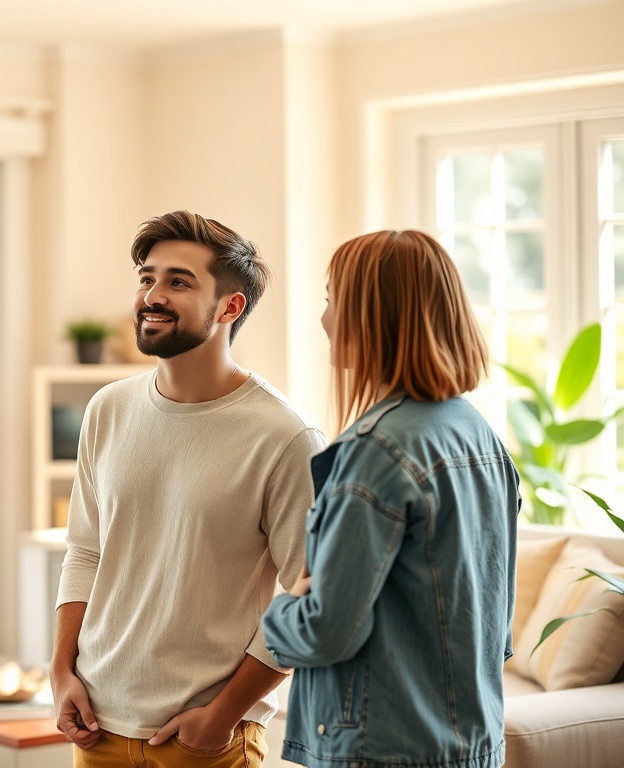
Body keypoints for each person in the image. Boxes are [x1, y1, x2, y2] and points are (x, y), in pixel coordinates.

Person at [51, 210, 326, 767]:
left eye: (179, 282)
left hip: (206, 742)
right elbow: (85, 550)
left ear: (230, 307)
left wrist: (225, 712)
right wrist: (61, 672)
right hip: (97, 729)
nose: (152, 294)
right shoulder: (107, 409)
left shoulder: (285, 436)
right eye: (147, 278)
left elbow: (311, 593)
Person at [261, 230, 520, 768]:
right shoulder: (481, 437)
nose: (324, 319)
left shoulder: (375, 451)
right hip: (473, 746)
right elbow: (494, 627)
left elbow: (326, 630)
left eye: (333, 299)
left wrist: (281, 609)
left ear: (374, 314)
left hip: (383, 751)